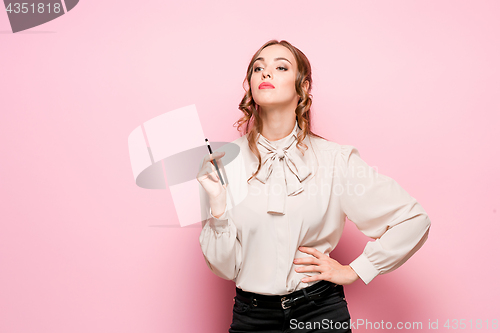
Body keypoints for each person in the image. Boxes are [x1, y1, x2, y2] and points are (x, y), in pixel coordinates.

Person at [196, 40, 431, 333]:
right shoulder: (222, 165)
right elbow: (225, 268)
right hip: (251, 317)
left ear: (303, 87)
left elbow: (413, 219)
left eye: (280, 67)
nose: (265, 73)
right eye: (258, 68)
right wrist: (218, 208)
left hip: (319, 314)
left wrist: (356, 270)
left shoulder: (336, 160)